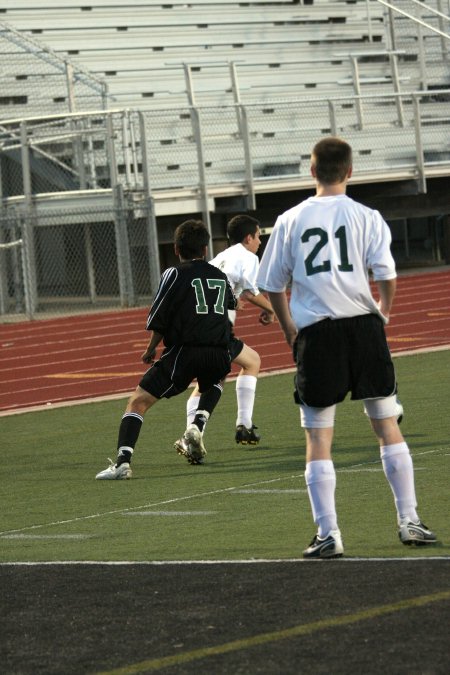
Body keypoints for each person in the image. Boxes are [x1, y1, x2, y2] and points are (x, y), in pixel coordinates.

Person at [256, 136, 437, 557]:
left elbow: (272, 285)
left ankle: (329, 535)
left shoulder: (290, 219)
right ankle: (409, 520)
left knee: (319, 436)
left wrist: (288, 329)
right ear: (350, 172)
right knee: (387, 424)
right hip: (364, 330)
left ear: (312, 170)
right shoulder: (367, 215)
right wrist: (384, 314)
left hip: (318, 334)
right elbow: (387, 275)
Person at [95, 219, 237, 478]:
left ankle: (122, 463)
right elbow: (231, 305)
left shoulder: (173, 273)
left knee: (137, 402)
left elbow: (159, 316)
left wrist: (150, 349)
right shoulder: (221, 276)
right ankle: (197, 423)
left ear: (176, 248)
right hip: (218, 351)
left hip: (185, 351)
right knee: (215, 377)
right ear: (205, 249)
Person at [175, 214, 275, 453]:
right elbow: (251, 293)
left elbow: (224, 288)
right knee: (231, 372)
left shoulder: (221, 256)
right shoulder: (248, 256)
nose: (260, 242)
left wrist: (234, 302)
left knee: (223, 374)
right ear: (248, 237)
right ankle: (236, 426)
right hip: (216, 328)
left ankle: (202, 433)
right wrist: (273, 310)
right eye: (259, 236)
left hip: (198, 324)